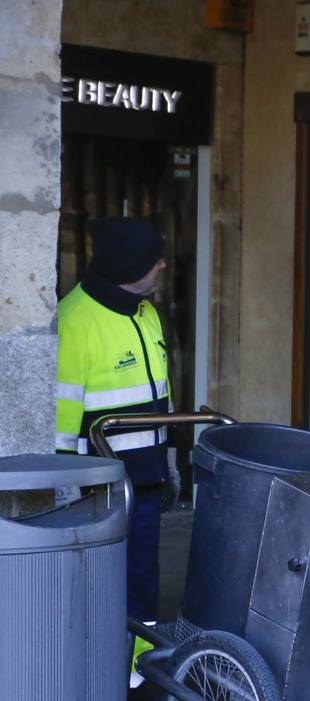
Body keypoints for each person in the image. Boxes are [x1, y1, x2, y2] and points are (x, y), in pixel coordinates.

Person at [57, 216, 172, 624]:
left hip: (147, 481)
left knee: (142, 585)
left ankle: (139, 657)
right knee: (97, 589)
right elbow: (61, 420)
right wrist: (66, 494)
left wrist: (168, 466)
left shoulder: (146, 313)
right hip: (98, 490)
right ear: (129, 263)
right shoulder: (74, 321)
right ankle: (106, 658)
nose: (162, 264)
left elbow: (160, 398)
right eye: (154, 258)